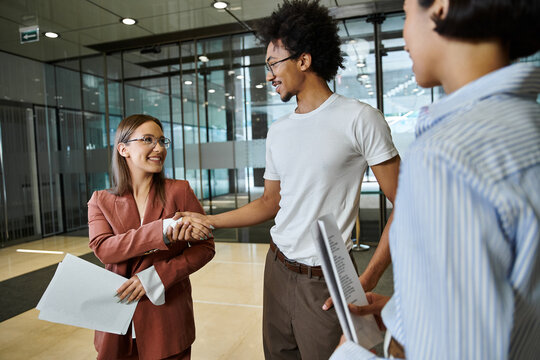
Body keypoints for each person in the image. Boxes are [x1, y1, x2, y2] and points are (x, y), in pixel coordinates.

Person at [180, 1, 400, 358]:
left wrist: (369, 277)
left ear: (304, 60)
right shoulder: (278, 131)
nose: (269, 75)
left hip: (325, 282)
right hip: (277, 268)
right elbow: (270, 203)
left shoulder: (360, 119)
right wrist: (209, 220)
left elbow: (405, 203)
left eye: (273, 63)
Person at [330, 0, 540, 358]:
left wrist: (353, 353)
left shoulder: (445, 157)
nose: (405, 35)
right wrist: (407, 313)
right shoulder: (526, 127)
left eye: (408, 11)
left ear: (439, 7)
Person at [88, 114, 215, 360]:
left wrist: (156, 277)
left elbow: (205, 247)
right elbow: (104, 249)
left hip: (167, 319)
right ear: (123, 149)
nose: (159, 148)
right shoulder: (100, 200)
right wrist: (163, 229)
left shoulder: (180, 190)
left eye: (162, 141)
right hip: (116, 320)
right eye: (148, 140)